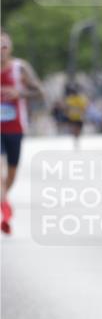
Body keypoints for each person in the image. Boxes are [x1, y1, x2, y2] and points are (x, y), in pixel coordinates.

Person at [0, 30, 45, 234]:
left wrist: (20, 93)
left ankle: (3, 203)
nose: (1, 50)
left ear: (10, 48)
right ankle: (6, 212)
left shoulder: (20, 68)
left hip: (15, 127)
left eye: (4, 46)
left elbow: (39, 92)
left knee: (11, 175)